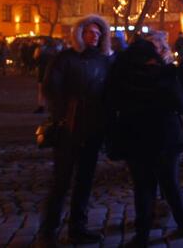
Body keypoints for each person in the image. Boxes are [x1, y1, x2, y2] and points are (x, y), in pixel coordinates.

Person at [105, 32, 183, 246]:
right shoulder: (163, 73)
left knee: (143, 187)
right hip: (165, 136)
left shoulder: (121, 75)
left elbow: (112, 102)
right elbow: (181, 103)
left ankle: (142, 234)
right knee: (170, 183)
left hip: (135, 136)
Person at [37, 16, 113, 246]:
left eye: (98, 33)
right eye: (90, 32)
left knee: (85, 181)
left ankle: (77, 227)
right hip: (69, 128)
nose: (94, 36)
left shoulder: (103, 61)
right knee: (60, 182)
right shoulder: (65, 58)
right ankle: (48, 231)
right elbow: (51, 89)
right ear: (81, 33)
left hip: (93, 128)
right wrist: (64, 113)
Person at [33, 38, 57, 114]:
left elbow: (36, 62)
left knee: (42, 90)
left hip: (43, 72)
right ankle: (52, 107)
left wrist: (36, 55)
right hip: (53, 73)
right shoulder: (54, 51)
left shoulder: (41, 51)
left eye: (42, 41)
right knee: (52, 90)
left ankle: (41, 106)